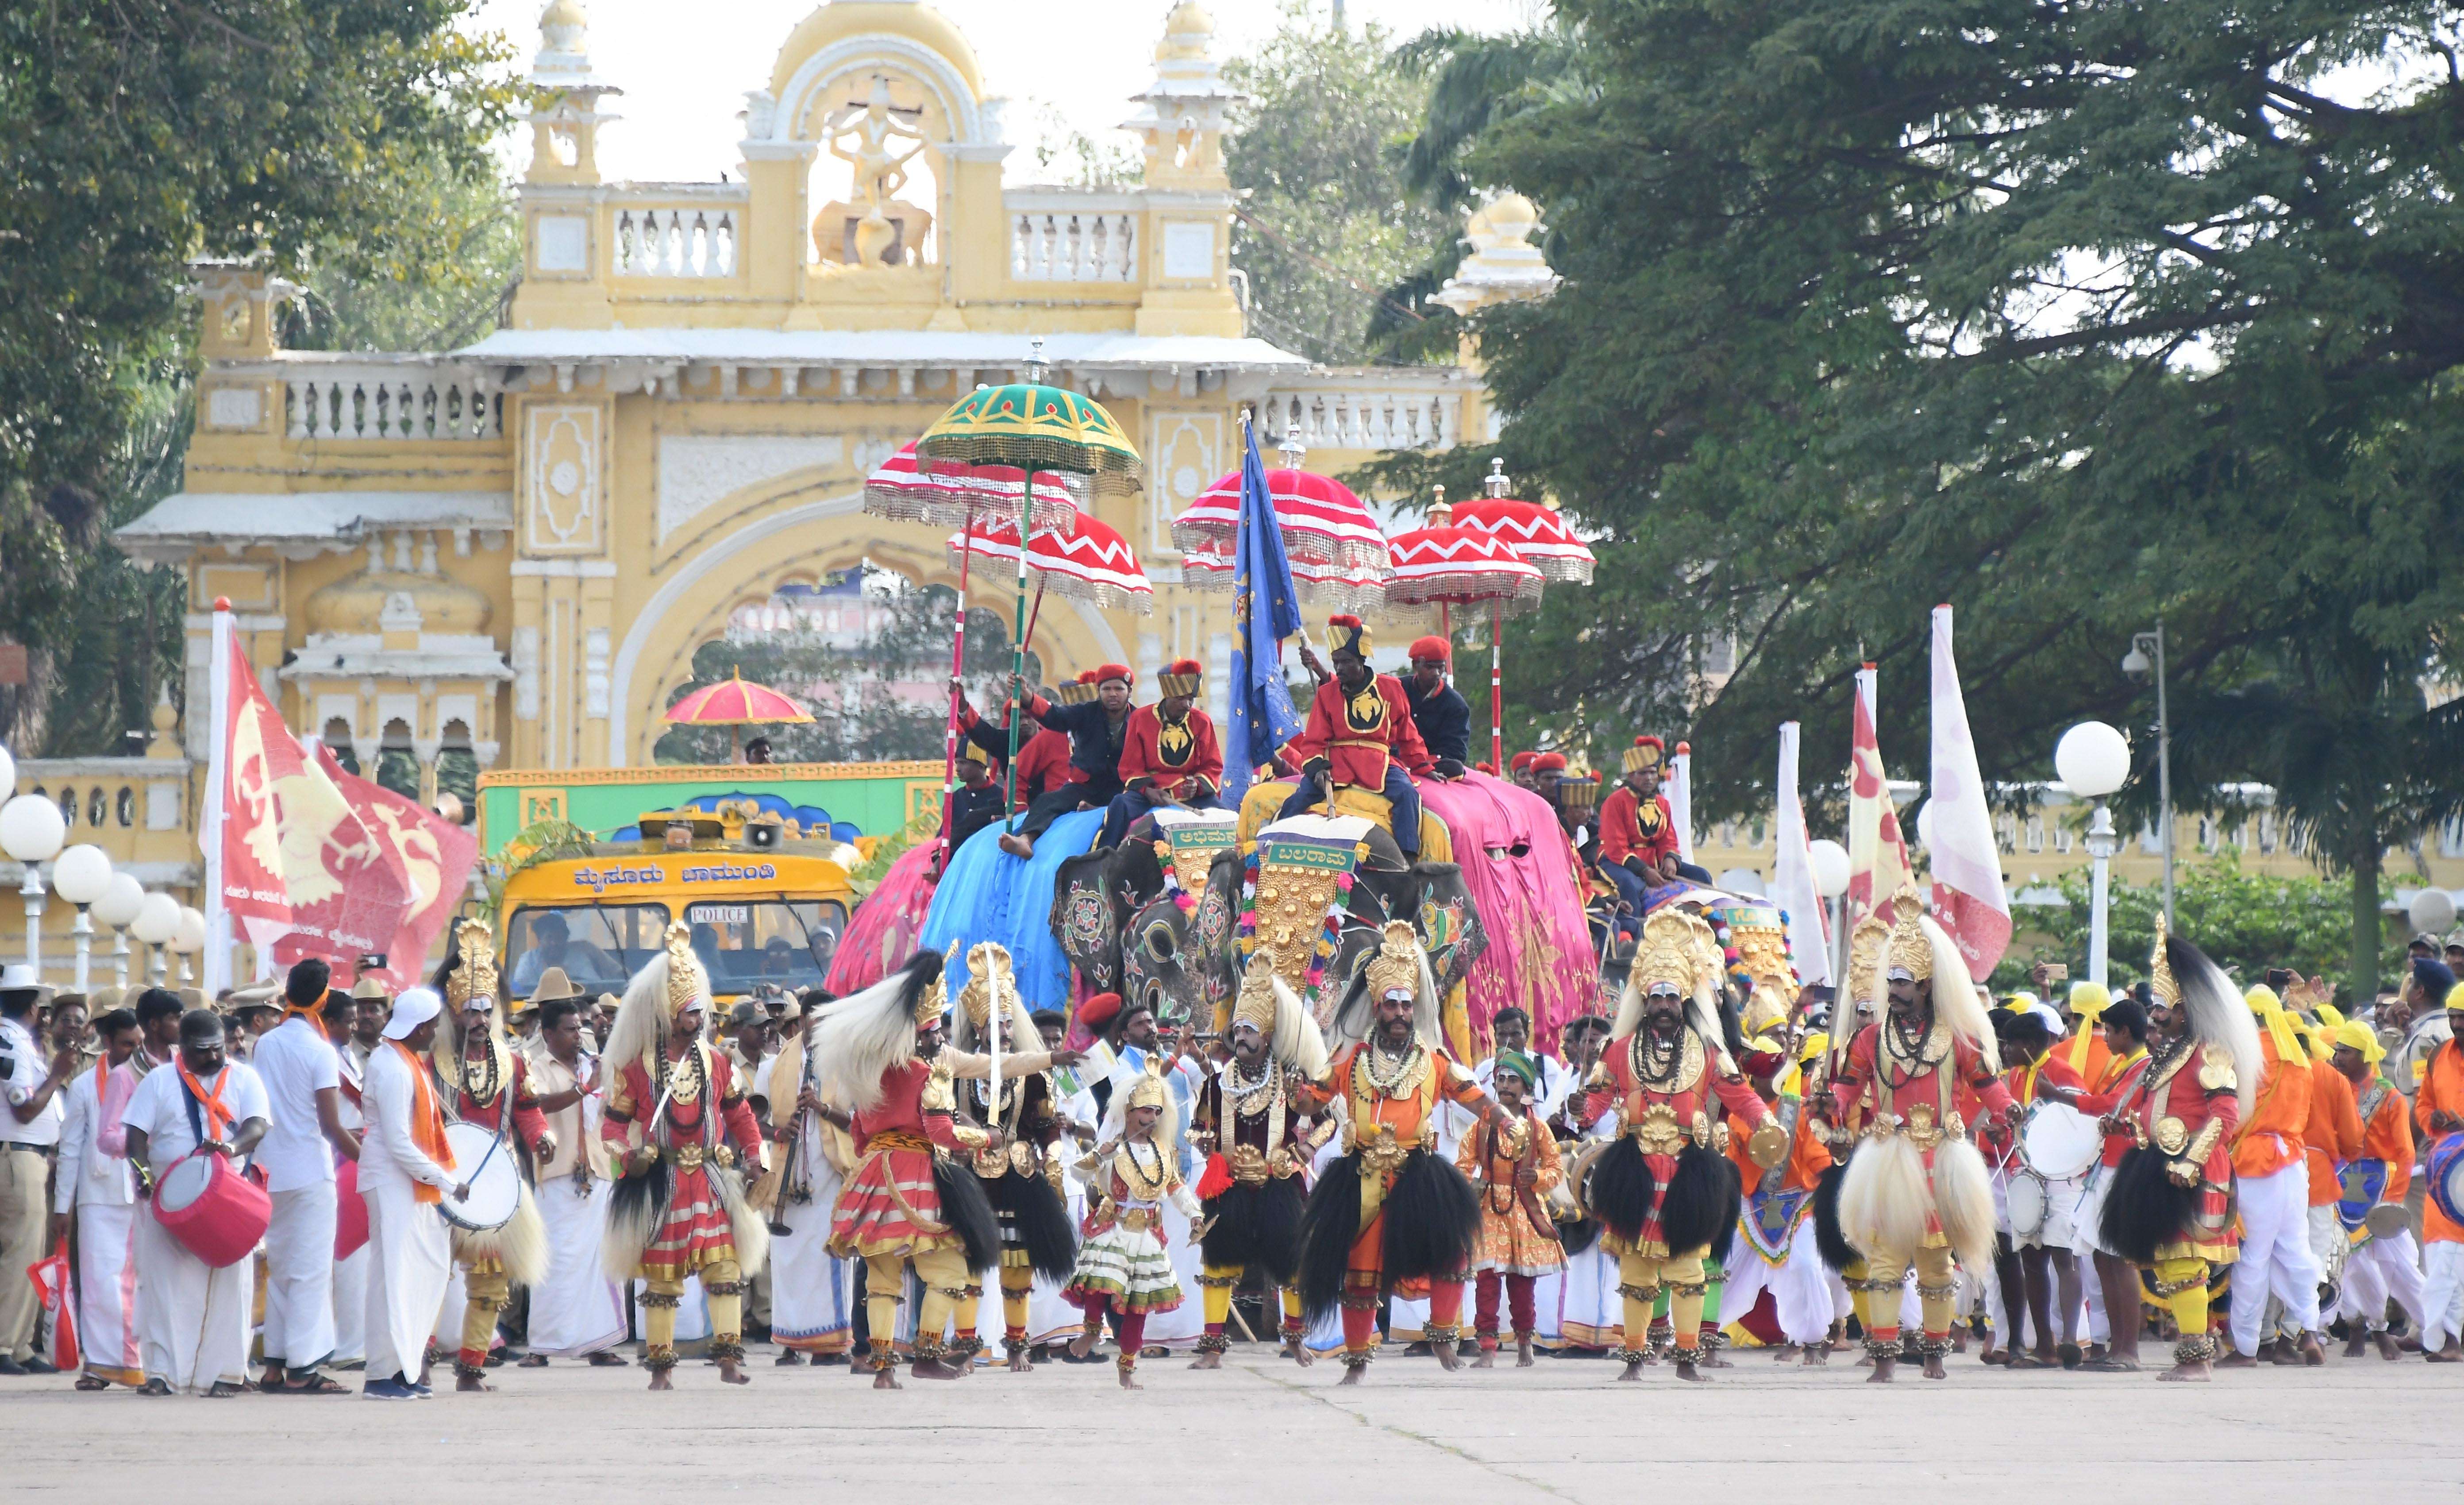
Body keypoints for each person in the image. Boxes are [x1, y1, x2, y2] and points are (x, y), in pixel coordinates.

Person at [810, 949, 1074, 1386]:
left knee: (882, 1278)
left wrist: (1047, 1060)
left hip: (874, 1173)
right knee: (950, 1271)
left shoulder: (873, 1068)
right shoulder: (927, 1074)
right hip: (917, 1173)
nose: (939, 1038)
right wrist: (987, 1138)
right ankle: (927, 1354)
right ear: (915, 1033)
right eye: (933, 1031)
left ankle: (882, 1369)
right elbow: (942, 1134)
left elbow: (859, 1132)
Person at [1296, 921, 1512, 1382]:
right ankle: (1356, 1362)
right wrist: (1301, 1085)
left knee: (1451, 1254)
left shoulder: (1435, 1061)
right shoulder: (1349, 1059)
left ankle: (1442, 1337)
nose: (1399, 1012)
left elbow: (1476, 1099)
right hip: (1361, 1175)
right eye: (1391, 1004)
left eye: (1405, 1005)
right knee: (1359, 1273)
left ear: (1414, 1009)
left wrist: (1507, 1122)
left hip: (1419, 1174)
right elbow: (1311, 1101)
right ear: (1377, 1009)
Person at [1813, 888, 2014, 1382]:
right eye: (1892, 981)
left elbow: (1990, 1086)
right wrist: (1830, 1106)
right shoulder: (1869, 1038)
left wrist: (2011, 1112)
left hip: (1943, 1160)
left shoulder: (1957, 1037)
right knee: (1883, 1259)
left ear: (1927, 986)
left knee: (1936, 1264)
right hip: (1888, 1158)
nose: (1895, 990)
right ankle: (1882, 1361)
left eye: (1904, 982)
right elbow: (1846, 1087)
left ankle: (1934, 1356)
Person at [1575, 909, 1770, 1382]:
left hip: (1690, 1171)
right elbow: (1595, 1102)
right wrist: (1576, 1108)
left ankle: (1686, 1361)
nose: (1663, 1004)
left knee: (1688, 1269)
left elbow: (1739, 1094)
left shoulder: (1708, 1051)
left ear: (1684, 998)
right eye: (1655, 995)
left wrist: (1765, 1121)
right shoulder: (1620, 1051)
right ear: (1645, 998)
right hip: (1634, 1169)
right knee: (1638, 1272)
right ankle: (1634, 1362)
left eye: (1671, 996)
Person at [2078, 922, 2255, 1382]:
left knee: (2184, 1263)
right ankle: (2194, 1356)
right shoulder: (2168, 1053)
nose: (2153, 1017)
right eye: (2154, 1008)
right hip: (2156, 1164)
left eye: (2160, 1008)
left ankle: (2196, 1360)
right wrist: (2126, 1123)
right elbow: (2154, 1107)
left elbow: (2225, 1115)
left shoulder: (2210, 1053)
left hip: (2192, 1170)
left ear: (2183, 1010)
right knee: (2170, 1264)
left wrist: (2192, 1160)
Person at [599, 922, 772, 1389]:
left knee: (726, 1269)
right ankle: (661, 1369)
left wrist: (757, 1156)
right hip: (664, 1184)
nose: (701, 1019)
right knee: (662, 1280)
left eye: (702, 1010)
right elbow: (611, 1128)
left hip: (714, 1182)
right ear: (671, 1014)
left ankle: (730, 1361)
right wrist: (627, 1155)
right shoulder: (636, 1067)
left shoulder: (717, 1061)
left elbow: (740, 1116)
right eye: (692, 1012)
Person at [120, 1008, 271, 1396]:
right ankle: (164, 1375)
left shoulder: (245, 1077)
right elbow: (135, 1134)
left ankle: (225, 1374)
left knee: (229, 1284)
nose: (213, 1058)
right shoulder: (159, 1081)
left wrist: (231, 1147)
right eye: (202, 1051)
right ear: (181, 1049)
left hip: (228, 1194)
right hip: (169, 1196)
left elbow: (257, 1126)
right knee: (166, 1286)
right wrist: (141, 1171)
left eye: (218, 1049)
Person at [1189, 954, 1328, 1368]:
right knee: (1219, 1264)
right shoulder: (1217, 1083)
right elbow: (1196, 1128)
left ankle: (1295, 1340)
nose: (1242, 1037)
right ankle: (1213, 1350)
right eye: (1238, 1030)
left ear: (1267, 1038)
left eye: (1250, 1031)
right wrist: (1204, 1143)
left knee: (1291, 1267)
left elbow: (1327, 1123)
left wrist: (1305, 1149)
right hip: (1228, 1184)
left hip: (1279, 1183)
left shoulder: (1290, 1079)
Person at [431, 921, 552, 1391]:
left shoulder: (512, 1060)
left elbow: (527, 1108)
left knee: (491, 1281)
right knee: (432, 1276)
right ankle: (416, 1362)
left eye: (486, 1010)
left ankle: (470, 1369)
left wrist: (543, 1137)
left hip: (497, 1182)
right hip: (442, 1179)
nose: (479, 1020)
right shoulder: (432, 1060)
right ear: (454, 1012)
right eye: (470, 1011)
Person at [946, 944, 1075, 1368]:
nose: (1003, 1030)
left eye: (1007, 1022)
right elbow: (941, 1118)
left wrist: (1054, 1153)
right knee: (969, 1267)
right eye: (994, 1024)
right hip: (971, 1176)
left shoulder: (1031, 1072)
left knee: (1017, 1269)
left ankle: (1018, 1347)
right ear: (979, 1029)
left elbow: (1046, 1123)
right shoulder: (959, 1072)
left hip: (1019, 1176)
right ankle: (966, 1349)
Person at [252, 957, 359, 1394]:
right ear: (322, 998)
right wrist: (369, 1160)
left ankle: (276, 1365)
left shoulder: (265, 1044)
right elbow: (332, 1127)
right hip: (311, 1172)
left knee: (280, 1269)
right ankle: (303, 1369)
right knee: (311, 1272)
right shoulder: (320, 1051)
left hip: (271, 1171)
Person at [1063, 1056, 1204, 1389]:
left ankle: (1127, 1368)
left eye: (1157, 1112)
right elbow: (1078, 1172)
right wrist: (1100, 1156)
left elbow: (1175, 1188)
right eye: (1145, 1111)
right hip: (1114, 1226)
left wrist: (1195, 1213)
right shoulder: (1112, 1147)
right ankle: (1092, 1332)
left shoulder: (1163, 1150)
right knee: (1101, 1282)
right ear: (1129, 1113)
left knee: (1139, 1306)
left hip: (1147, 1235)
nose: (1151, 1118)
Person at [358, 988, 469, 1400]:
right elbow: (399, 1143)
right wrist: (448, 1181)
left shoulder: (409, 1063)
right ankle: (381, 1375)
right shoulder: (392, 1067)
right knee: (392, 1277)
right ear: (421, 1028)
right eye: (434, 1024)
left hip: (407, 1181)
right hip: (390, 1179)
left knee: (418, 1272)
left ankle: (403, 1369)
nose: (437, 1031)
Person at [2218, 981, 2324, 1366]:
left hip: (2255, 1162)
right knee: (2296, 1251)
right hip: (2294, 1162)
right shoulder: (2300, 1061)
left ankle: (2246, 1348)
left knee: (2253, 1258)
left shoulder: (2245, 1056)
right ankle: (2310, 1332)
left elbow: (2234, 1115)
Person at [1279, 616, 1447, 860]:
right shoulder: (1327, 693)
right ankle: (1270, 841)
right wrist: (1317, 769)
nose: (1339, 669)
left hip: (1378, 761)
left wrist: (1424, 766)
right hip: (1337, 763)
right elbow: (1314, 740)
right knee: (1301, 797)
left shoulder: (1391, 688)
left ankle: (1408, 861)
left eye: (1346, 662)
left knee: (1407, 794)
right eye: (1336, 662)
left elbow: (1408, 734)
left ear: (1361, 660)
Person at [520, 996, 628, 1367]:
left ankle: (598, 1343)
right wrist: (584, 1089)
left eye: (580, 1029)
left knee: (599, 1261)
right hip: (557, 1175)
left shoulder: (592, 1066)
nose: (577, 1037)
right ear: (548, 1033)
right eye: (569, 1030)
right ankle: (543, 1346)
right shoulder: (534, 1067)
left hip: (596, 1172)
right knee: (554, 1260)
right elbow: (538, 1106)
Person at [2053, 996, 2155, 1370]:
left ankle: (2128, 1350)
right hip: (2110, 1166)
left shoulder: (2143, 1067)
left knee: (2118, 1258)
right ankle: (2117, 1347)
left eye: (2110, 1032)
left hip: (2124, 1168)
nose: (2105, 1039)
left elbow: (2112, 1105)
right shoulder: (2128, 1065)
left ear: (2126, 1032)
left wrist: (2059, 1097)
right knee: (2103, 1256)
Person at [1720, 1031, 1834, 1363]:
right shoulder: (1737, 1115)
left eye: (1777, 1070)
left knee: (1804, 1266)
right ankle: (1694, 1334)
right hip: (1751, 1205)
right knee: (1721, 1268)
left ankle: (1811, 1340)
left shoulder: (1796, 1110)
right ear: (1752, 1078)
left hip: (1798, 1204)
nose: (1774, 1077)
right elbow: (1730, 1163)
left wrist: (1835, 1175)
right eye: (1766, 1072)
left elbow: (1816, 1157)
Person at [763, 991, 858, 1366]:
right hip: (788, 1176)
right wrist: (779, 1130)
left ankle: (831, 1344)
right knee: (788, 1259)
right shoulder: (776, 1065)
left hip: (831, 1173)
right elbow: (755, 1124)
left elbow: (857, 1122)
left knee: (829, 1252)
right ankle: (791, 1341)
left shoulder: (847, 1061)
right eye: (816, 1019)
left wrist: (822, 1109)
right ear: (801, 1020)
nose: (821, 1027)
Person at [1989, 1002, 2085, 1370]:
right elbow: (2021, 1123)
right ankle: (2044, 1346)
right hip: (2024, 1177)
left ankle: (2070, 1341)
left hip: (2061, 1178)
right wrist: (2003, 1131)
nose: (2005, 1050)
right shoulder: (2015, 1077)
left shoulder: (2062, 1072)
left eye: (2010, 1044)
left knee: (2064, 1258)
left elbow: (2082, 1124)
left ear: (2029, 1043)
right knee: (2032, 1261)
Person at [51, 1007, 142, 1388]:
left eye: (138, 1044)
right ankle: (100, 1366)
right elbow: (71, 1148)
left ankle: (142, 1361)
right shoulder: (86, 1085)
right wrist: (62, 1206)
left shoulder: (152, 1079)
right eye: (126, 1044)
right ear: (107, 1042)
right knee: (99, 1281)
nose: (133, 1051)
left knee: (140, 1283)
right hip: (98, 1195)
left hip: (141, 1192)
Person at [1457, 1050, 1564, 1367]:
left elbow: (1557, 1168)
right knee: (1487, 1280)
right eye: (1500, 1079)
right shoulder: (1480, 1127)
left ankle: (1524, 1344)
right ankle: (1487, 1348)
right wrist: (1471, 1184)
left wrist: (1539, 1177)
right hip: (1489, 1209)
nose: (1505, 1086)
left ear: (1526, 1088)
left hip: (1524, 1209)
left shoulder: (1539, 1128)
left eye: (1513, 1080)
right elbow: (1463, 1166)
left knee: (1521, 1283)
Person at [966, 664, 1136, 860]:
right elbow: (1054, 716)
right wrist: (1027, 696)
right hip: (1086, 787)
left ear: (1129, 692)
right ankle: (1026, 840)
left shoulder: (1139, 719)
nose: (1113, 694)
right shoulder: (1085, 713)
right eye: (1107, 689)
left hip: (1123, 789)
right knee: (1047, 801)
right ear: (1099, 692)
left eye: (1119, 689)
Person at [2331, 1019, 2423, 1358]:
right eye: (2337, 1050)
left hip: (2384, 1187)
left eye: (2346, 1051)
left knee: (2400, 1266)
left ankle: (2441, 1329)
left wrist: (2393, 1201)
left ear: (2365, 1055)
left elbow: (2405, 1152)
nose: (2338, 1057)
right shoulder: (2337, 1090)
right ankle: (2361, 1328)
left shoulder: (2391, 1097)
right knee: (2351, 1263)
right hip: (2347, 1186)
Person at [0, 964, 69, 1376]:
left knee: (25, 1250)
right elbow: (24, 1106)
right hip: (18, 1154)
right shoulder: (12, 1040)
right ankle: (7, 1342)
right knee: (20, 1250)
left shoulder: (14, 1039)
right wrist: (58, 1073)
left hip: (24, 1155)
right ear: (31, 1006)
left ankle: (21, 1343)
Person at [1104, 659, 1225, 846]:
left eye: (1190, 699)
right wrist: (1148, 790)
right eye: (1180, 699)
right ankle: (1105, 858)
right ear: (1168, 696)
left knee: (1226, 817)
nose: (1187, 705)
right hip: (1149, 792)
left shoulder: (1202, 721)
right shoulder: (1141, 718)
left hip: (1191, 795)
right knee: (1120, 804)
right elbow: (1130, 766)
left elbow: (1213, 764)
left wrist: (1197, 786)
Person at [2414, 978, 2464, 1361]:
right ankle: (2445, 1338)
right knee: (2442, 1253)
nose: (2457, 1025)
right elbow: (2423, 1104)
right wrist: (2437, 1123)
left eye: (2463, 1018)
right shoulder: (2437, 1056)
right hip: (2445, 1170)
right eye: (2452, 1018)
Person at [1596, 737, 1681, 915]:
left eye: (1652, 773)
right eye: (1643, 773)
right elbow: (1616, 847)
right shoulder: (1615, 802)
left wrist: (1670, 859)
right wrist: (1644, 870)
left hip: (1653, 861)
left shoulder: (1663, 804)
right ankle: (1635, 933)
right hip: (1616, 861)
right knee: (1629, 883)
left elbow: (1668, 839)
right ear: (1631, 775)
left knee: (1700, 875)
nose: (1649, 778)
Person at [509, 912, 621, 996]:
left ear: (566, 938)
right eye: (549, 938)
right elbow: (519, 989)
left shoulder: (582, 952)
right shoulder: (529, 960)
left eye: (559, 938)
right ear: (540, 940)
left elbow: (598, 984)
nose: (554, 943)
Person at [1401, 636, 1471, 765]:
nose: (1437, 673)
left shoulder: (1456, 705)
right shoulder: (1398, 689)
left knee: (1455, 768)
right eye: (1430, 667)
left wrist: (1422, 764)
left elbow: (1456, 751)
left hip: (1433, 766)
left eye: (1441, 668)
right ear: (1415, 666)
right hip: (1396, 762)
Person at [943, 745, 1008, 853]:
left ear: (981, 766)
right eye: (957, 763)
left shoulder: (1002, 797)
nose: (958, 769)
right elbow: (945, 834)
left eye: (963, 763)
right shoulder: (955, 799)